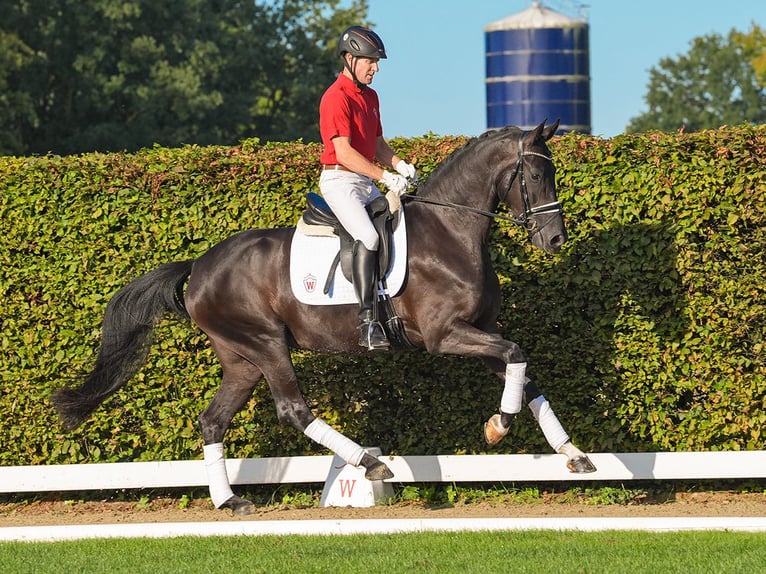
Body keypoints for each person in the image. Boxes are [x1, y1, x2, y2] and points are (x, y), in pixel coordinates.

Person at [318, 25, 417, 351]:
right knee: (370, 236)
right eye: (369, 61)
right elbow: (345, 152)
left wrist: (400, 165)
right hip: (340, 180)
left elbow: (376, 144)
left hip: (364, 180)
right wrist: (384, 177)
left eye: (376, 62)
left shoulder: (370, 97)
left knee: (403, 224)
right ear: (349, 59)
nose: (375, 67)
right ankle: (367, 323)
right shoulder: (335, 98)